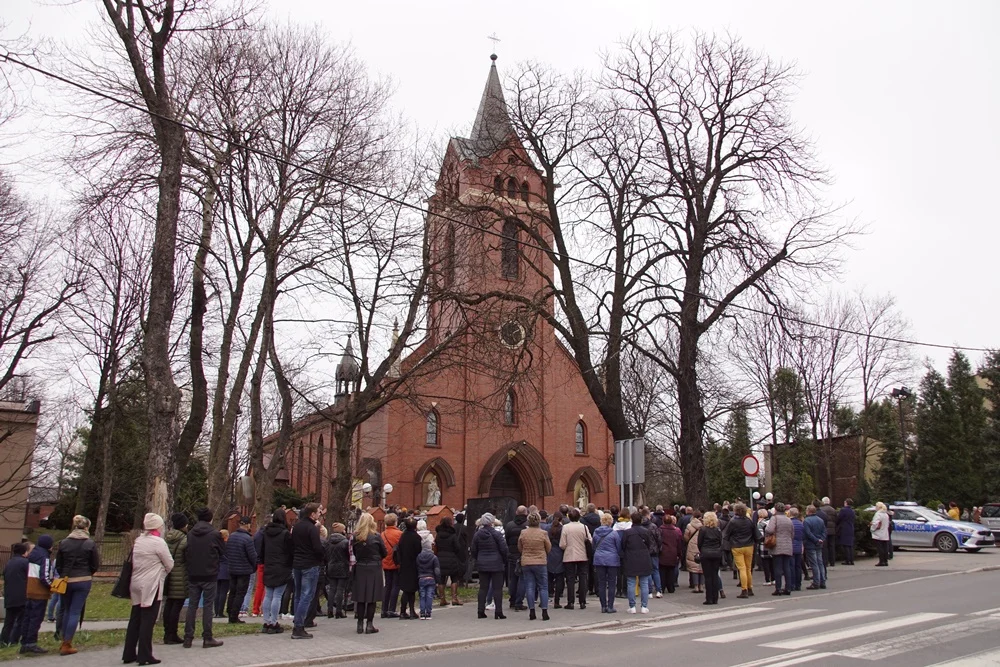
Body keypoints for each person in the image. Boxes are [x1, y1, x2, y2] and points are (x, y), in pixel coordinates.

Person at [123, 513, 174, 666]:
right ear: (158, 526)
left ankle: (129, 652)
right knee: (148, 619)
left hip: (136, 582)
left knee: (135, 617)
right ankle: (145, 654)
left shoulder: (138, 540)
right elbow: (169, 563)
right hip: (151, 584)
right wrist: (162, 571)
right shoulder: (158, 542)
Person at [56, 516, 100, 656]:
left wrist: (64, 575)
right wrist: (88, 573)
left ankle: (63, 639)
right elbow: (95, 564)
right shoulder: (89, 543)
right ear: (87, 527)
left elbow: (58, 564)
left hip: (66, 580)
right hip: (83, 579)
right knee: (75, 611)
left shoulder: (64, 543)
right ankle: (67, 643)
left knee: (66, 610)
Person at [183, 507, 225, 649]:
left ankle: (188, 637)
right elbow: (222, 551)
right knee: (208, 605)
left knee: (192, 605)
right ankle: (207, 637)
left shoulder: (190, 534)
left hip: (193, 573)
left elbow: (187, 552)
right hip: (209, 573)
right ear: (210, 518)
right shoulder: (214, 534)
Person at [290, 503, 324, 638]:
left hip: (297, 563)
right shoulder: (312, 528)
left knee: (298, 595)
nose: (320, 514)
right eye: (319, 512)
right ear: (312, 514)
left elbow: (292, 544)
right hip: (310, 564)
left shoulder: (297, 527)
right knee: (307, 595)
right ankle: (299, 626)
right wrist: (321, 558)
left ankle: (297, 622)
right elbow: (317, 548)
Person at [352, 513, 386, 634]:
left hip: (361, 567)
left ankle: (359, 624)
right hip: (374, 567)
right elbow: (384, 552)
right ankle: (369, 625)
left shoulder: (355, 537)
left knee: (361, 597)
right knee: (372, 597)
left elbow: (355, 552)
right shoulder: (376, 536)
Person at [260, 509, 293, 634]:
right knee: (277, 596)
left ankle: (266, 621)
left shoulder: (266, 532)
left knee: (268, 595)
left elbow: (262, 549)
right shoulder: (285, 534)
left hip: (269, 565)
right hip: (281, 566)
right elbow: (290, 551)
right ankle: (274, 622)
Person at [471, 513, 508, 619]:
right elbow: (504, 549)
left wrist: (478, 558)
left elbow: (473, 549)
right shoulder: (497, 534)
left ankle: (480, 611)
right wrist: (503, 560)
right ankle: (498, 612)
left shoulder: (477, 535)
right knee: (497, 588)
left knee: (483, 588)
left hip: (482, 564)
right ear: (492, 522)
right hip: (496, 563)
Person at [22, 534, 52, 655]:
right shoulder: (44, 557)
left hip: (29, 589)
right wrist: (52, 586)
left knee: (27, 617)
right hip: (39, 591)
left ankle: (24, 643)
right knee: (36, 618)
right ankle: (31, 643)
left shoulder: (32, 555)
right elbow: (44, 576)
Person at [518, 512, 552, 621]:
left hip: (526, 562)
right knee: (543, 587)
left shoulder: (523, 533)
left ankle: (532, 611)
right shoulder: (543, 533)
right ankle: (544, 611)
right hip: (540, 562)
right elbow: (548, 547)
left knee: (529, 587)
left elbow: (520, 547)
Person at [162, 513, 189, 645]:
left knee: (169, 603)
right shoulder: (184, 540)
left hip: (168, 574)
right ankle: (172, 633)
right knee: (177, 605)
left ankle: (167, 632)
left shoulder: (166, 538)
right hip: (181, 575)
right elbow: (187, 558)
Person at [559, 508, 592, 610]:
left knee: (570, 579)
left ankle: (570, 602)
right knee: (583, 577)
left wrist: (567, 547)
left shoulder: (565, 527)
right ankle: (582, 601)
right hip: (582, 555)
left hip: (569, 555)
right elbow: (590, 540)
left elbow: (562, 544)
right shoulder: (584, 527)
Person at [226, 516, 257, 625]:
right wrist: (253, 567)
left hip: (232, 568)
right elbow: (253, 556)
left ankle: (229, 612)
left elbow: (227, 552)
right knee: (240, 593)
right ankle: (234, 616)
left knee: (232, 592)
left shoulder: (232, 536)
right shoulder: (247, 539)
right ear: (248, 525)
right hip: (244, 570)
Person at [722, 503, 758, 598]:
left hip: (737, 546)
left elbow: (726, 535)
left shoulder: (733, 522)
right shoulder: (749, 521)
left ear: (735, 511)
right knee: (748, 568)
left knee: (742, 568)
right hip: (749, 545)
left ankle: (744, 589)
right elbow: (755, 534)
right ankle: (750, 588)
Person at [622, 511, 654, 613]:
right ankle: (644, 606)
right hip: (644, 558)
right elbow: (649, 544)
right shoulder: (646, 531)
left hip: (631, 558)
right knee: (644, 583)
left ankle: (632, 607)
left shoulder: (627, 532)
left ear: (632, 520)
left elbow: (623, 545)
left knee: (631, 583)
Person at [593, 512, 622, 613]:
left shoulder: (596, 532)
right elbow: (618, 547)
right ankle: (610, 606)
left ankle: (603, 606)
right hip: (612, 559)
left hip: (599, 559)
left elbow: (594, 545)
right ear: (610, 522)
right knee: (612, 583)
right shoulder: (614, 533)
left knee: (601, 583)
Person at [1, 543, 29, 649]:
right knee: (21, 620)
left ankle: (3, 641)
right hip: (21, 595)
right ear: (24, 552)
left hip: (10, 595)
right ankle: (14, 641)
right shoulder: (25, 562)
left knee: (9, 621)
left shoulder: (9, 562)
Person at [434, 516, 466, 607]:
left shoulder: (438, 535)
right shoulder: (453, 535)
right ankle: (454, 598)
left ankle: (442, 599)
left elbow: (436, 546)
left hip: (440, 558)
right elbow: (457, 547)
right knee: (454, 578)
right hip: (452, 558)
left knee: (441, 579)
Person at [395, 517, 422, 620]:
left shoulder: (403, 536)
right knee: (411, 590)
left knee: (406, 589)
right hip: (413, 565)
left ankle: (404, 611)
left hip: (403, 565)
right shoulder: (416, 537)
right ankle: (410, 611)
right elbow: (419, 551)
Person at [765, 503, 793, 596]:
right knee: (787, 568)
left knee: (778, 568)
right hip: (788, 545)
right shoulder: (788, 519)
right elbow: (792, 533)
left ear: (776, 509)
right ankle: (788, 588)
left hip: (777, 545)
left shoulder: (774, 518)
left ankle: (778, 588)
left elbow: (769, 530)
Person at [504, 506, 529, 611]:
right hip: (523, 554)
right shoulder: (528, 525)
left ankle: (512, 600)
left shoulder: (509, 525)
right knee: (522, 579)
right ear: (526, 513)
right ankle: (519, 602)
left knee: (513, 579)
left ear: (516, 512)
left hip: (512, 554)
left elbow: (506, 539)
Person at [698, 511, 724, 606]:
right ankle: (715, 598)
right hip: (716, 554)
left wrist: (702, 550)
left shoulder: (703, 530)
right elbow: (721, 542)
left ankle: (709, 598)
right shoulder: (718, 530)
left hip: (706, 554)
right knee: (715, 575)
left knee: (708, 577)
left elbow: (699, 543)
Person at [379, 513, 402, 619]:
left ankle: (383, 609)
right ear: (395, 522)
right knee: (395, 585)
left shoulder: (382, 534)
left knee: (387, 585)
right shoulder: (399, 534)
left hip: (385, 562)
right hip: (396, 563)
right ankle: (391, 609)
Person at [325, 523, 350, 619]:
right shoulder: (345, 542)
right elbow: (348, 555)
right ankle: (339, 611)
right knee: (340, 589)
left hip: (331, 566)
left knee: (332, 589)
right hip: (342, 567)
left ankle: (330, 610)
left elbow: (326, 554)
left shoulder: (329, 541)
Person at [416, 533, 441, 620]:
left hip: (421, 578)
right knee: (429, 595)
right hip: (431, 578)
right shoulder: (434, 557)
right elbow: (437, 570)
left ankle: (422, 613)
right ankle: (428, 613)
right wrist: (438, 580)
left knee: (422, 595)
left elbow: (417, 567)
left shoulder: (418, 556)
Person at [803, 505, 827, 590]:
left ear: (808, 511)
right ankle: (822, 581)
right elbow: (824, 531)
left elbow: (808, 533)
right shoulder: (820, 520)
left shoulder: (806, 521)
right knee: (820, 562)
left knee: (814, 563)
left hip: (811, 544)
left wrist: (816, 540)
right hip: (819, 543)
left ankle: (816, 582)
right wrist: (821, 539)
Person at [658, 515, 684, 594]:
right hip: (673, 552)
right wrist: (679, 554)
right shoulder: (675, 531)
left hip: (663, 553)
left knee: (662, 571)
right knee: (671, 570)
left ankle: (662, 587)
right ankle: (671, 587)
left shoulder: (660, 530)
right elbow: (678, 543)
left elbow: (658, 541)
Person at [546, 515, 566, 608]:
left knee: (548, 577)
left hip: (550, 553)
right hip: (560, 553)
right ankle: (557, 601)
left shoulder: (548, 529)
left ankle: (548, 595)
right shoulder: (563, 529)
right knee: (559, 578)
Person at [684, 511, 704, 594]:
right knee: (701, 567)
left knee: (694, 566)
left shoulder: (689, 525)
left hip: (692, 546)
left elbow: (686, 537)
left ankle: (696, 586)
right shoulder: (703, 525)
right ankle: (701, 585)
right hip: (701, 546)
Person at [789, 507, 805, 591]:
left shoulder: (789, 523)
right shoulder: (800, 523)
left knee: (791, 566)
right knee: (798, 566)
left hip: (791, 546)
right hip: (799, 546)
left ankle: (792, 584)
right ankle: (798, 584)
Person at [836, 499, 856, 565]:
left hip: (844, 528)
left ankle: (847, 560)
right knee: (850, 545)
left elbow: (839, 518)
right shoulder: (852, 511)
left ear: (846, 503)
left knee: (845, 545)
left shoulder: (843, 510)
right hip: (851, 528)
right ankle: (851, 560)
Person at [819, 497, 837, 569]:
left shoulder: (821, 510)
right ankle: (832, 561)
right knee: (832, 546)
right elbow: (836, 519)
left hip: (825, 530)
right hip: (832, 530)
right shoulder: (833, 510)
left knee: (825, 547)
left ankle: (825, 562)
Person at [871, 502, 892, 566]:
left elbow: (875, 523)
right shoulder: (886, 514)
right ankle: (885, 561)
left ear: (878, 507)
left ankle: (881, 561)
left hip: (878, 533)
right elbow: (887, 524)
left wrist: (872, 529)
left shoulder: (878, 514)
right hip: (885, 533)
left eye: (876, 506)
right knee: (885, 548)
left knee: (880, 548)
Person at [215, 530, 229, 619]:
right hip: (226, 570)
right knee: (223, 592)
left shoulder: (216, 545)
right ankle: (220, 612)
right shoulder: (228, 545)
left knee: (217, 592)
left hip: (217, 569)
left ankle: (216, 611)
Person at [757, 509, 773, 584]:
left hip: (764, 545)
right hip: (772, 543)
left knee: (765, 563)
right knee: (772, 562)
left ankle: (767, 580)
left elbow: (760, 535)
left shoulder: (760, 523)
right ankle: (773, 579)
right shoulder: (771, 521)